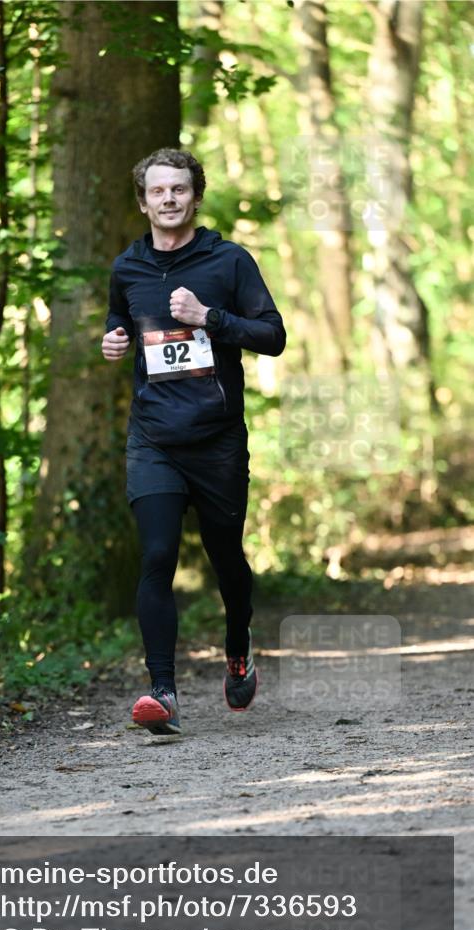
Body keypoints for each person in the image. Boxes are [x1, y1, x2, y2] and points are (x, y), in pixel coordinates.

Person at [102, 148, 286, 735]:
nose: (169, 199)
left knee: (226, 558)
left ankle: (238, 644)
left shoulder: (228, 261)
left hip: (217, 441)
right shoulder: (126, 268)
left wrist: (211, 317)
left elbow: (274, 336)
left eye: (179, 189)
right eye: (158, 191)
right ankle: (163, 694)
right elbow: (123, 326)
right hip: (153, 438)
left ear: (195, 195)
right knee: (157, 556)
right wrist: (114, 342)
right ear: (143, 201)